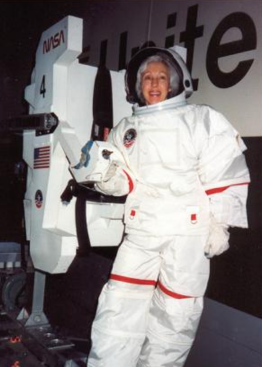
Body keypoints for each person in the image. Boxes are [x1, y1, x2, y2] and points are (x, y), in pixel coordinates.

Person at [87, 46, 250, 367]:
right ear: (136, 85)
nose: (154, 83)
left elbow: (225, 172)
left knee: (175, 316)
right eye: (147, 77)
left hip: (187, 234)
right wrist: (102, 176)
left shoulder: (201, 119)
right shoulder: (126, 129)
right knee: (118, 308)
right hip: (141, 231)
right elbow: (122, 181)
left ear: (176, 81)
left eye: (161, 76)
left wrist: (220, 224)